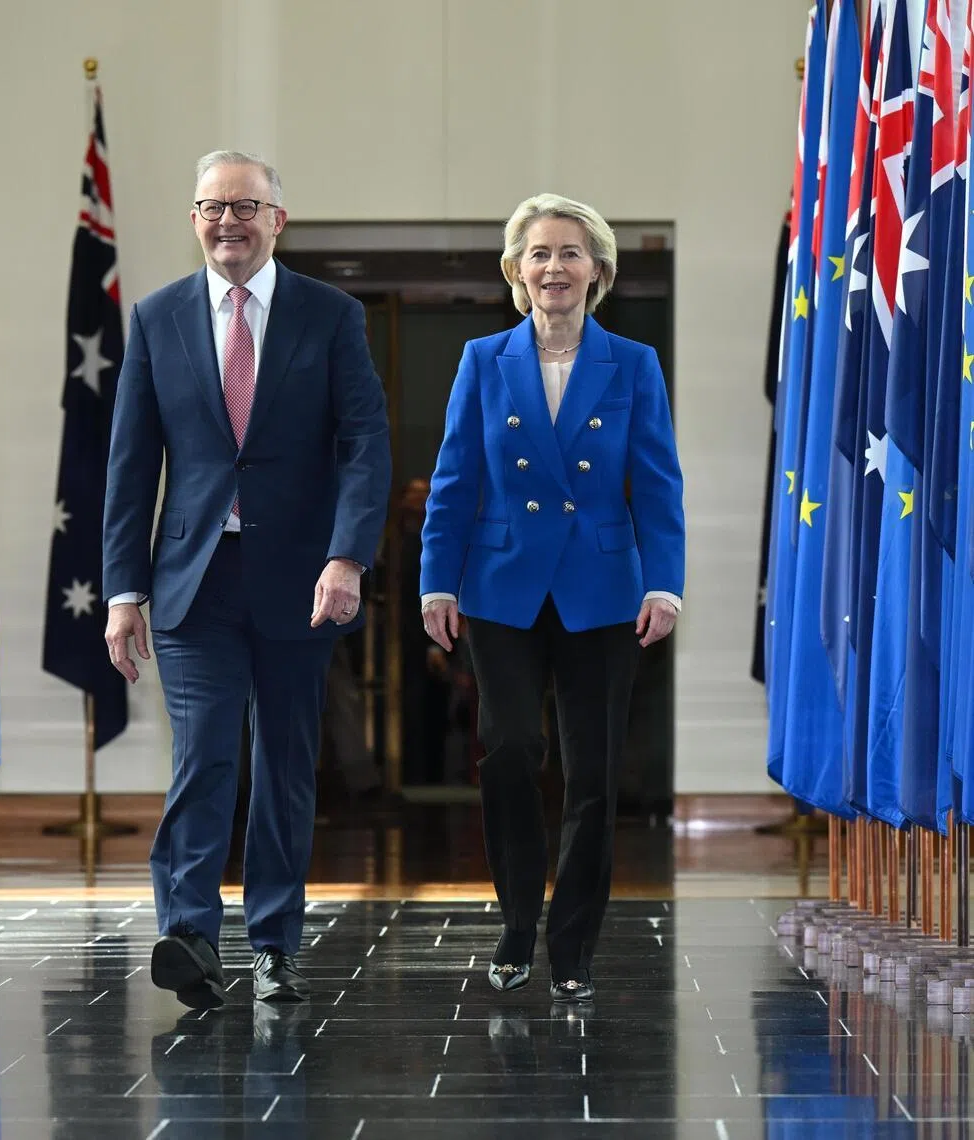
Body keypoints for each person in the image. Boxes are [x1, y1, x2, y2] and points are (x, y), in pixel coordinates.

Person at [102, 150, 391, 1009]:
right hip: (193, 583)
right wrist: (124, 592)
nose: (228, 220)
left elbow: (364, 443)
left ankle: (274, 945)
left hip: (303, 582)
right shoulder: (156, 319)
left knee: (285, 768)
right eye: (212, 206)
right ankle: (188, 936)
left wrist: (348, 556)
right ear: (193, 219)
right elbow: (129, 465)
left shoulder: (330, 315)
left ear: (278, 219)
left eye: (246, 206)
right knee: (204, 759)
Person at [419, 193, 684, 1003]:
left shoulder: (632, 363)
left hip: (603, 591)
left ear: (597, 272)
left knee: (595, 773)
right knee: (507, 754)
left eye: (571, 253)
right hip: (501, 589)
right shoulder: (482, 358)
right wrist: (437, 575)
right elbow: (457, 477)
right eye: (539, 253)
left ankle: (573, 943)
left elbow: (658, 481)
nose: (554, 267)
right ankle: (516, 924)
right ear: (516, 270)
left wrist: (665, 581)